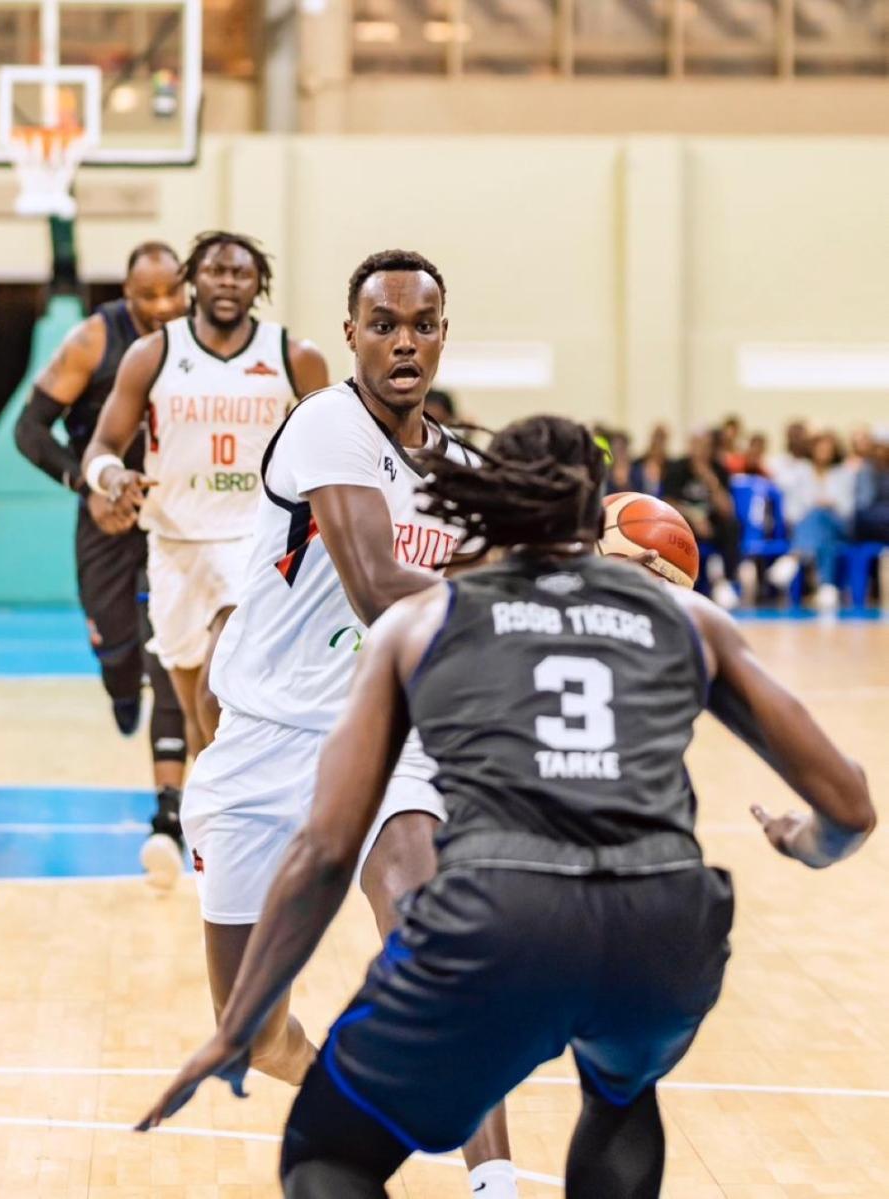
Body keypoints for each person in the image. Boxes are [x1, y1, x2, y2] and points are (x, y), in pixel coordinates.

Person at [138, 414, 875, 1199]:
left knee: (328, 1157)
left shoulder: (431, 617)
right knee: (622, 1093)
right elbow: (851, 806)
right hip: (667, 919)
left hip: (509, 908)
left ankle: (489, 1177)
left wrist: (234, 1024)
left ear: (493, 507)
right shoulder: (690, 617)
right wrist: (799, 839)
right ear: (596, 511)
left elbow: (324, 852)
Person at [173, 249, 518, 1197]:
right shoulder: (328, 422)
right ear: (352, 335)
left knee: (433, 941)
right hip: (263, 742)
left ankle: (494, 1180)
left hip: (382, 737)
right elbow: (374, 585)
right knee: (253, 1032)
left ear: (443, 336)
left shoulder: (463, 467)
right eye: (384, 324)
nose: (404, 341)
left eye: (423, 325)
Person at [81, 232, 329, 788]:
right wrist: (111, 477)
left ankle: (253, 807)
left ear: (259, 285)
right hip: (174, 544)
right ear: (193, 279)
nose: (228, 282)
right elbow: (102, 445)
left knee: (219, 691)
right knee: (195, 709)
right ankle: (213, 818)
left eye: (241, 273)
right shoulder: (153, 354)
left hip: (257, 542)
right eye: (216, 270)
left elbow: (332, 443)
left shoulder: (294, 356)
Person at [14, 241, 190, 884]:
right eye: (148, 296)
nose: (163, 307)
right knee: (120, 649)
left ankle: (168, 810)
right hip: (106, 514)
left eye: (173, 293)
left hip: (176, 516)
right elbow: (30, 431)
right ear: (125, 293)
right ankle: (119, 680)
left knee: (170, 656)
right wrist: (85, 485)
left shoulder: (205, 341)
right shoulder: (94, 340)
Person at [765, 430, 855, 610]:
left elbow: (848, 509)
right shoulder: (801, 471)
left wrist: (830, 504)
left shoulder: (844, 473)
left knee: (821, 516)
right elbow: (791, 508)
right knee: (821, 528)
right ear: (812, 449)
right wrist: (814, 508)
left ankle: (794, 557)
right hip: (809, 525)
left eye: (828, 449)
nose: (824, 452)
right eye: (820, 448)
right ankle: (827, 586)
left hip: (838, 524)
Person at [663, 428, 742, 608]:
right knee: (681, 529)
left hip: (712, 521)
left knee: (732, 525)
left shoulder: (719, 469)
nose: (701, 450)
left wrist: (709, 479)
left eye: (705, 446)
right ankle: (685, 580)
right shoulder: (677, 468)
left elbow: (727, 508)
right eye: (697, 444)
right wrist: (694, 516)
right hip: (685, 519)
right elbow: (668, 502)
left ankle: (725, 581)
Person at [630, 423, 670, 497]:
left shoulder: (670, 466)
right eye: (657, 436)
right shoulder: (638, 463)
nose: (658, 441)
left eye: (661, 437)